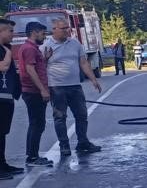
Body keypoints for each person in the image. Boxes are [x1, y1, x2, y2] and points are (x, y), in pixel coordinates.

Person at [44, 17, 103, 156]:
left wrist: (93, 79)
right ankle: (64, 145)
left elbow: (83, 62)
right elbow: (41, 66)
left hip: (75, 86)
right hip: (57, 87)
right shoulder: (46, 46)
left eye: (67, 28)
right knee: (60, 117)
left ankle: (82, 142)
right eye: (63, 28)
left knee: (82, 115)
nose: (67, 30)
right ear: (54, 30)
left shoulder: (75, 43)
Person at [17, 22, 52, 167]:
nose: (44, 36)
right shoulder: (29, 49)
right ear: (34, 32)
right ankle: (32, 157)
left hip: (33, 91)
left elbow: (35, 66)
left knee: (37, 123)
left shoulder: (31, 48)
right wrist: (43, 89)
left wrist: (45, 59)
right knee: (37, 124)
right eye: (43, 33)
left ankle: (32, 155)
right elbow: (30, 70)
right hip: (33, 92)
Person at [0, 19, 23, 178]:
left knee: (2, 134)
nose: (13, 34)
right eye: (10, 31)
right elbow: (3, 67)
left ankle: (3, 164)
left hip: (6, 97)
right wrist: (8, 53)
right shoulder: (5, 50)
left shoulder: (4, 48)